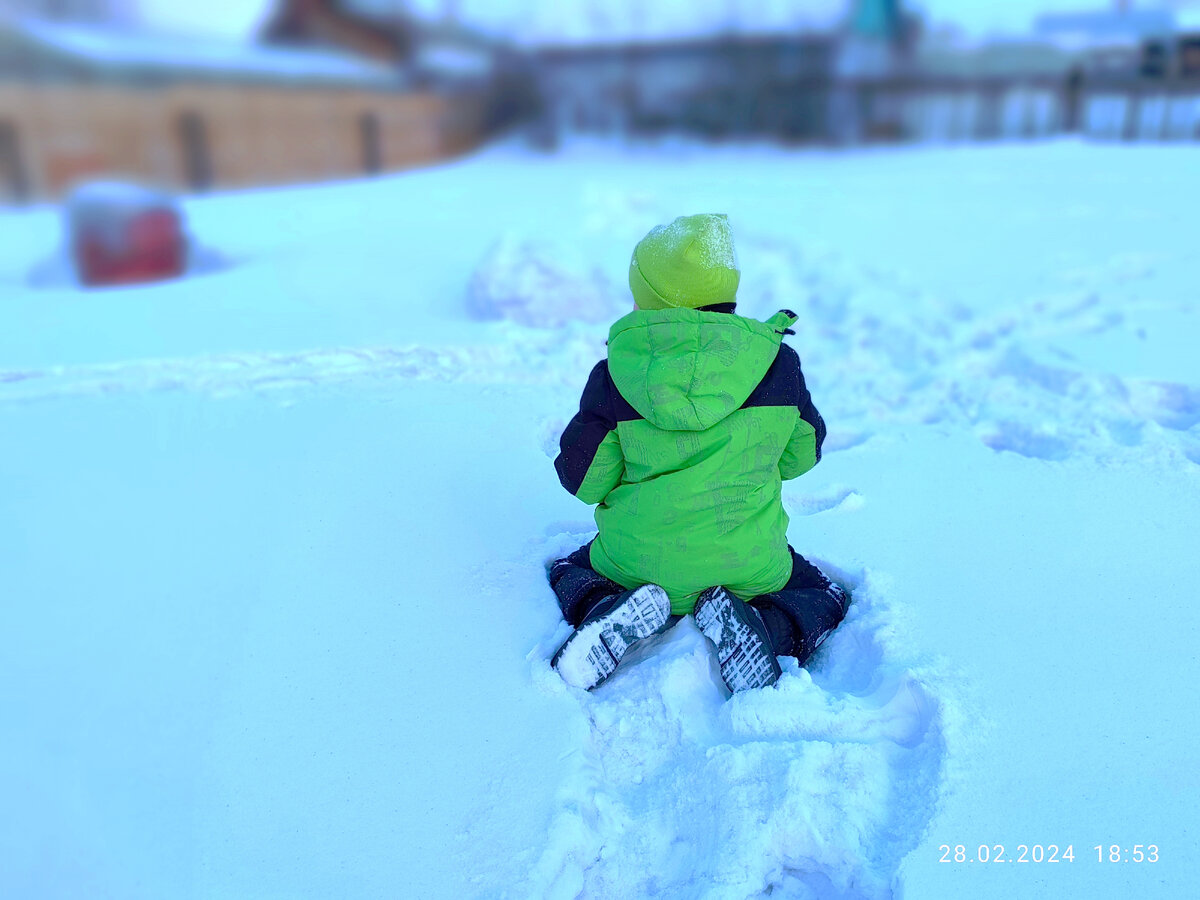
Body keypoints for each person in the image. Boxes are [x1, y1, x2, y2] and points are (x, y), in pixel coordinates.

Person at [550, 213, 849, 694]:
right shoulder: (777, 367)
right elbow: (801, 457)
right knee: (823, 593)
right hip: (750, 566)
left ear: (652, 301)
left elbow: (584, 481)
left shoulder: (615, 377)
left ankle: (606, 611)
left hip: (633, 565)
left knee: (570, 570)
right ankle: (767, 629)